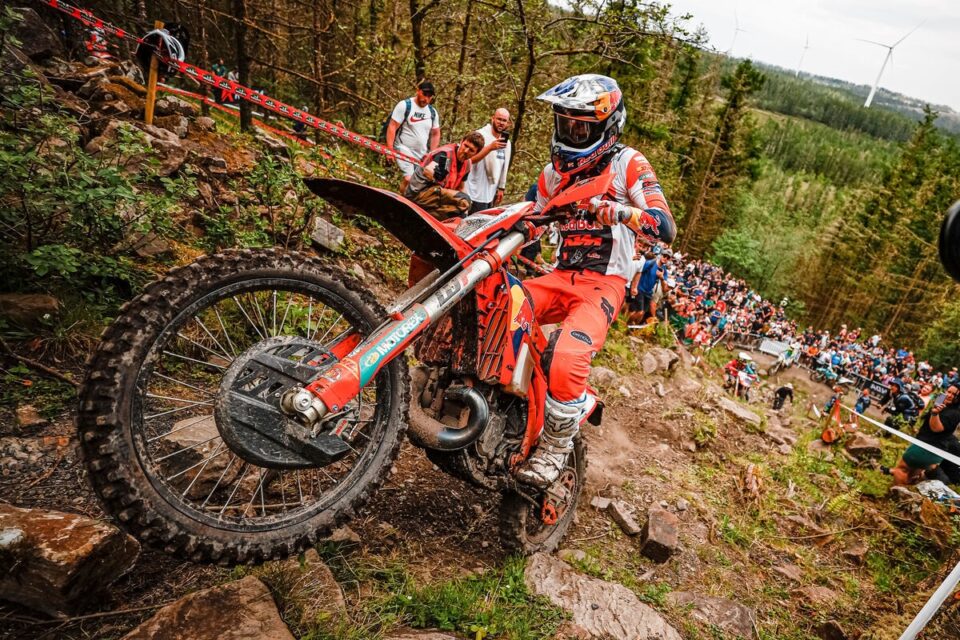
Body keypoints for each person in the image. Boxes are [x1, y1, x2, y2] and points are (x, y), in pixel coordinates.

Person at [515, 74, 676, 488]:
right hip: (557, 277)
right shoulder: (553, 174)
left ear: (606, 126)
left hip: (602, 285)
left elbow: (664, 226)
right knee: (497, 304)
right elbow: (529, 218)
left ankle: (555, 446)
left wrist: (621, 212)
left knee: (569, 358)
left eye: (581, 127)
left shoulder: (628, 164)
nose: (571, 133)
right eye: (565, 124)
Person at [405, 132, 484, 220]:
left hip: (435, 196)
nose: (466, 151)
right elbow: (428, 170)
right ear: (461, 142)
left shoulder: (468, 164)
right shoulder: (446, 153)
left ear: (476, 153)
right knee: (464, 200)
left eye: (471, 150)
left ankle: (429, 220)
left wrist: (466, 212)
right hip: (419, 192)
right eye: (465, 146)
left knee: (461, 209)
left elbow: (461, 188)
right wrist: (435, 175)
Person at [386, 80, 441, 191]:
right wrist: (390, 150)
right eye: (424, 94)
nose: (426, 99)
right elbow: (392, 126)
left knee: (419, 185)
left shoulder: (432, 112)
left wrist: (431, 153)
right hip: (402, 148)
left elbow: (436, 133)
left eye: (429, 96)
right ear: (418, 91)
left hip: (421, 154)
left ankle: (403, 201)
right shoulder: (405, 105)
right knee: (408, 179)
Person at [465, 108, 512, 213]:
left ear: (508, 123)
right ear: (493, 119)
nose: (501, 123)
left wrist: (501, 188)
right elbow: (469, 160)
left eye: (504, 121)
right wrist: (490, 148)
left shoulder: (506, 143)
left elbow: (504, 166)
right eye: (499, 119)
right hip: (473, 191)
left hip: (490, 193)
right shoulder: (480, 135)